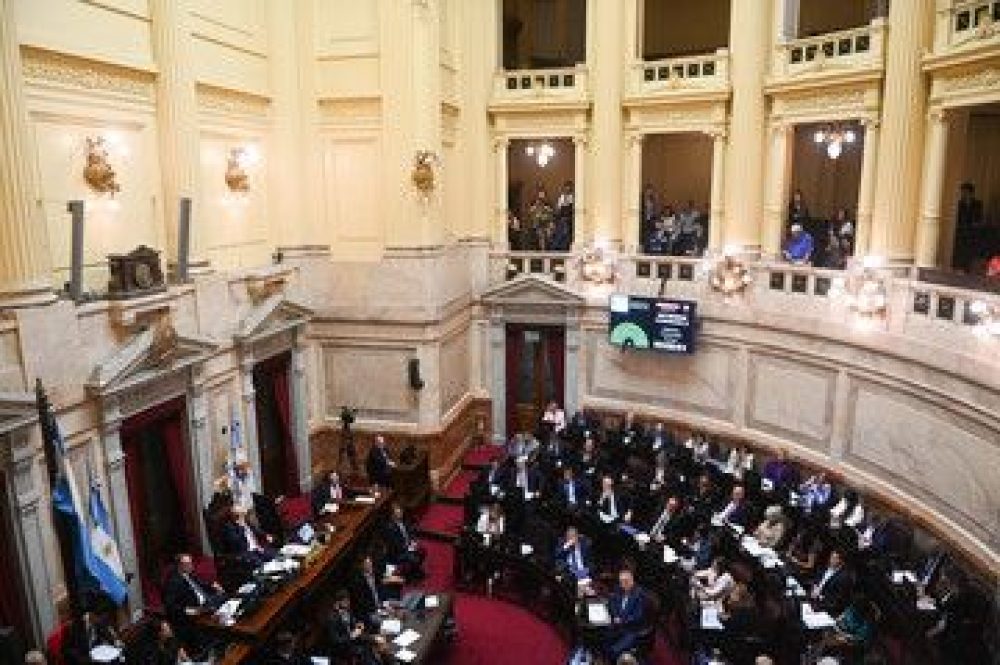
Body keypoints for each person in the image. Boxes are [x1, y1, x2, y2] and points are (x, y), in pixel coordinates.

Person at [605, 568, 647, 662]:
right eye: (621, 582)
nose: (623, 585)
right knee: (603, 640)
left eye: (625, 582)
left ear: (632, 580)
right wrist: (616, 616)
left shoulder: (640, 595)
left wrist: (622, 620)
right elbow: (612, 602)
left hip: (631, 630)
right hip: (617, 625)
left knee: (614, 650)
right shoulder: (619, 589)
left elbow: (638, 616)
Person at [382, 503, 426, 581]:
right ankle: (412, 574)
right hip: (398, 552)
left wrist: (413, 541)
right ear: (393, 516)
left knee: (423, 551)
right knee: (413, 558)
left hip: (407, 546)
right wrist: (408, 547)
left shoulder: (404, 521)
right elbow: (395, 545)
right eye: (398, 513)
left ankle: (415, 570)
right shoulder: (390, 528)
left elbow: (410, 532)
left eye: (401, 512)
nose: (401, 514)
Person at [811, 549, 854, 614]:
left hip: (824, 606)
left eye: (834, 558)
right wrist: (814, 587)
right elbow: (816, 579)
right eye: (831, 557)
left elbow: (837, 600)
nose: (831, 560)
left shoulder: (844, 578)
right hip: (813, 597)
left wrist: (820, 596)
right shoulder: (825, 566)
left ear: (840, 561)